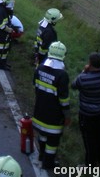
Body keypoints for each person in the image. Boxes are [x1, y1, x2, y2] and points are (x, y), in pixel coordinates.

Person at [32, 41, 71, 170]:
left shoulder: (39, 68)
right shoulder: (62, 75)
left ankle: (41, 155)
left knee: (42, 134)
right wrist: (67, 115)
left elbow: (35, 85)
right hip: (53, 114)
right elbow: (64, 99)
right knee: (53, 140)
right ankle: (48, 163)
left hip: (39, 108)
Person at [71, 52, 100, 166]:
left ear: (90, 64)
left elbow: (73, 85)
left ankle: (90, 163)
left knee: (89, 139)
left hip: (87, 114)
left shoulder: (84, 78)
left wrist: (84, 71)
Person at [0, 0, 15, 70]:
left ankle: (3, 63)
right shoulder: (0, 10)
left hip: (3, 35)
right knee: (2, 51)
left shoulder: (3, 9)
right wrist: (9, 30)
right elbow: (0, 24)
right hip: (1, 35)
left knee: (4, 51)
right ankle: (1, 65)